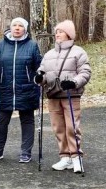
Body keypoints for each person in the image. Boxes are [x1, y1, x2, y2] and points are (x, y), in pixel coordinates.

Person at [35, 20, 91, 173]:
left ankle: (76, 157)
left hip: (70, 95)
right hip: (53, 95)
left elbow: (85, 73)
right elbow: (42, 72)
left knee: (72, 126)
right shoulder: (49, 54)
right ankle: (65, 156)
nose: (57, 34)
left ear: (69, 34)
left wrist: (73, 83)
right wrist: (40, 78)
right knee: (58, 127)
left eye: (61, 31)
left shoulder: (78, 52)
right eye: (56, 32)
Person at [0, 17, 43, 163]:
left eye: (20, 26)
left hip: (27, 89)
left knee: (27, 121)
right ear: (10, 28)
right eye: (14, 25)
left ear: (25, 29)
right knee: (1, 121)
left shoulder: (32, 45)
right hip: (5, 89)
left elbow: (39, 66)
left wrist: (40, 77)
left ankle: (25, 152)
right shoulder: (1, 45)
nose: (17, 28)